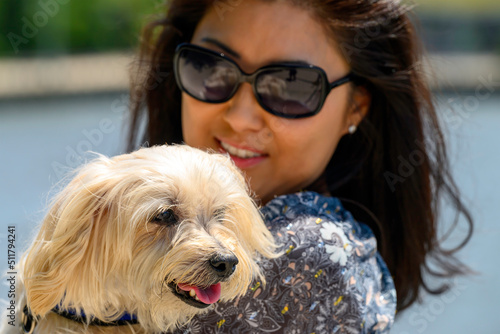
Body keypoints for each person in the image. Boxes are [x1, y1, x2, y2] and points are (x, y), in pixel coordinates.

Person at [127, 0, 473, 332]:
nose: (240, 117)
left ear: (356, 106)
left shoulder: (306, 257)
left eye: (290, 85)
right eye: (211, 67)